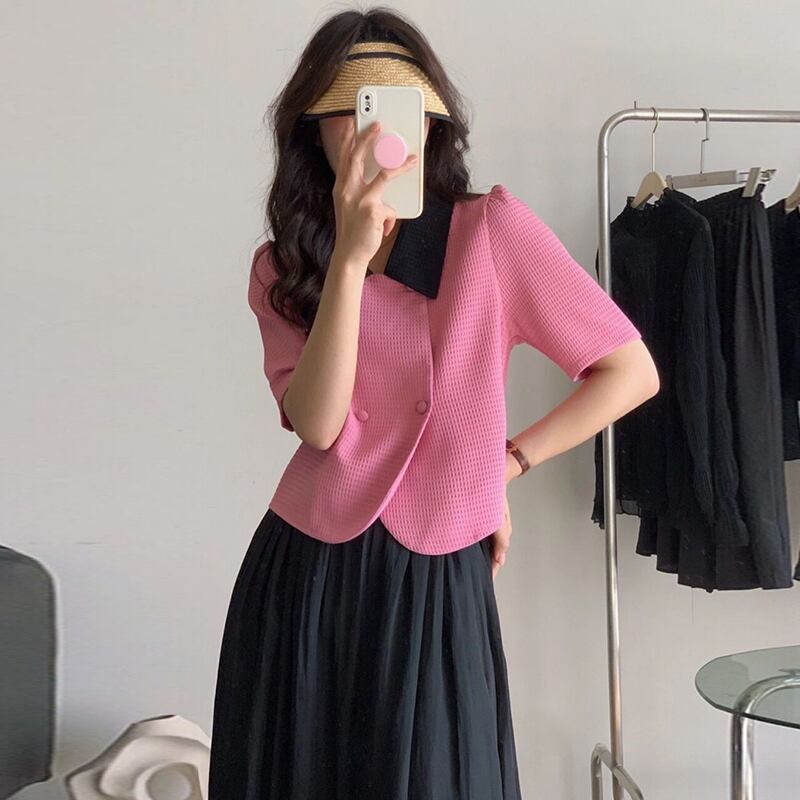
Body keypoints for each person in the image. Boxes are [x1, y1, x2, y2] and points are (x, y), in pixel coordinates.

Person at [208, 9, 659, 800]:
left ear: (431, 124)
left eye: (397, 107)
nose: (376, 132)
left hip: (437, 570)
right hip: (306, 570)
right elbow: (319, 425)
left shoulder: (491, 233)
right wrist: (350, 259)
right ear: (312, 131)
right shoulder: (283, 265)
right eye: (351, 109)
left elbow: (628, 371)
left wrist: (504, 464)